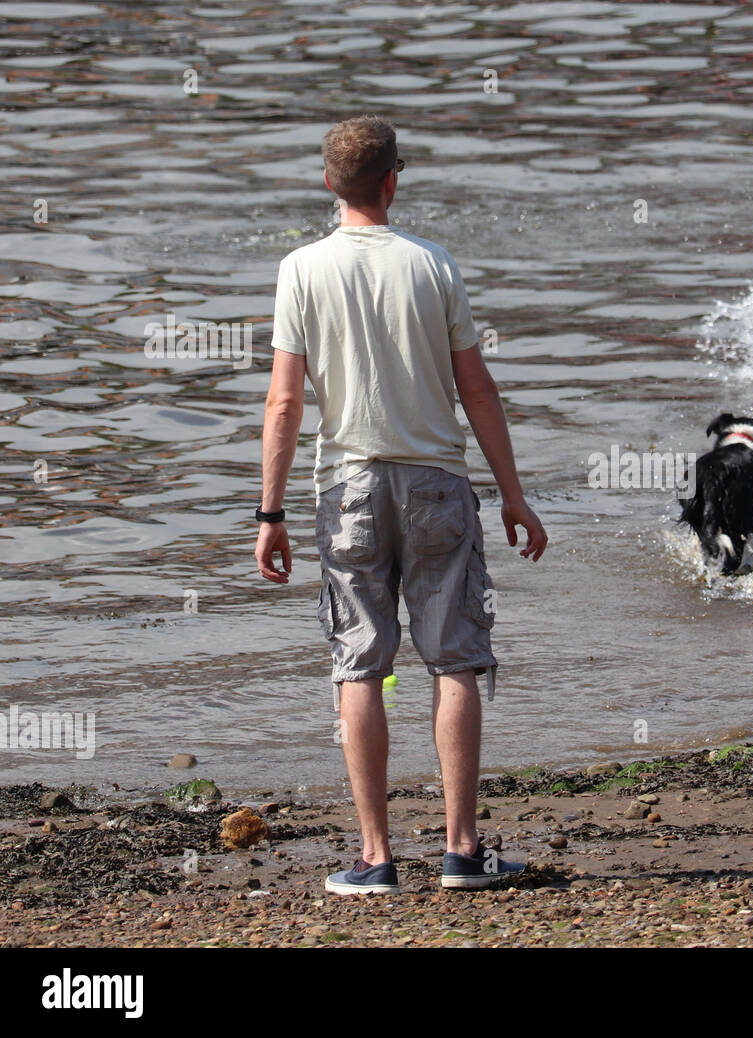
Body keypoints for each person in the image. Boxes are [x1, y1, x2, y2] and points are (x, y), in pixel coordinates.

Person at [254, 114, 547, 894]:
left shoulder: (300, 270)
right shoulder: (433, 265)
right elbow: (476, 389)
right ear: (393, 181)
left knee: (360, 664)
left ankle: (376, 857)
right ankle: (459, 850)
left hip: (345, 486)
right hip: (435, 483)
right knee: (453, 657)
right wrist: (513, 495)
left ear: (328, 185)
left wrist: (270, 512)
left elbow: (284, 405)